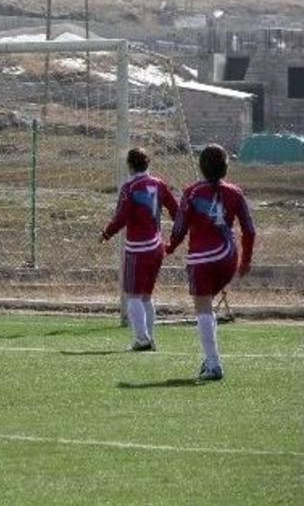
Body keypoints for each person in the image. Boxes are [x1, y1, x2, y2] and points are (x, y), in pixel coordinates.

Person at [166, 144, 256, 381]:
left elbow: (180, 227)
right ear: (226, 167)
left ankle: (214, 364)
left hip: (202, 259)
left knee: (203, 310)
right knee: (207, 308)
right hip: (228, 258)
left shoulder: (192, 192)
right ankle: (210, 358)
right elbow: (250, 230)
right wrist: (245, 262)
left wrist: (170, 247)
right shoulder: (235, 192)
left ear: (201, 167)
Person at [100, 147, 179, 352]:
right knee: (146, 296)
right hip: (156, 248)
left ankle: (142, 339)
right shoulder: (159, 184)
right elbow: (176, 211)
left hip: (138, 249)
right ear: (148, 164)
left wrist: (106, 233)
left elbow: (121, 217)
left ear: (130, 165)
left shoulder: (130, 187)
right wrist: (180, 232)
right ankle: (149, 338)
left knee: (133, 295)